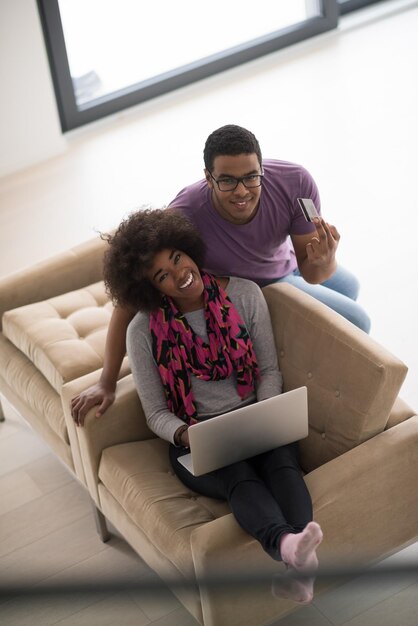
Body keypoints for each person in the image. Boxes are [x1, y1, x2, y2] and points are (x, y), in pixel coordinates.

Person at [74, 208, 323, 603]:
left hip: (257, 417)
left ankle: (298, 563)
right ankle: (290, 547)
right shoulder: (142, 331)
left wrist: (265, 414)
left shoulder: (244, 294)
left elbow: (269, 371)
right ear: (152, 289)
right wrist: (186, 434)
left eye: (176, 258)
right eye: (162, 275)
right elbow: (155, 412)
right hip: (195, 438)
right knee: (238, 473)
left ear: (188, 250)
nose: (178, 273)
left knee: (281, 462)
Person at [70, 124, 370, 421]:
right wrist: (106, 381)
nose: (241, 191)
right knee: (358, 319)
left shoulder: (296, 182)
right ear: (208, 179)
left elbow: (313, 273)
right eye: (227, 180)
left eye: (251, 177)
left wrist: (327, 259)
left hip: (287, 265)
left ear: (262, 168)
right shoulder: (185, 213)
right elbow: (129, 300)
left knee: (349, 285)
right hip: (257, 289)